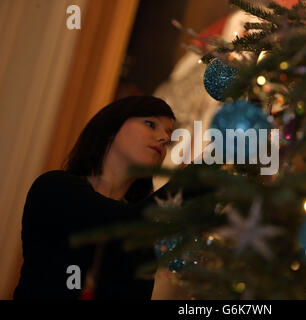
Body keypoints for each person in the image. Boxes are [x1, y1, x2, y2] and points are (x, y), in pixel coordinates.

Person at [13, 95, 183, 299]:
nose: (164, 138)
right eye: (150, 124)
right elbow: (115, 223)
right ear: (112, 128)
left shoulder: (142, 236)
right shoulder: (55, 187)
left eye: (168, 134)